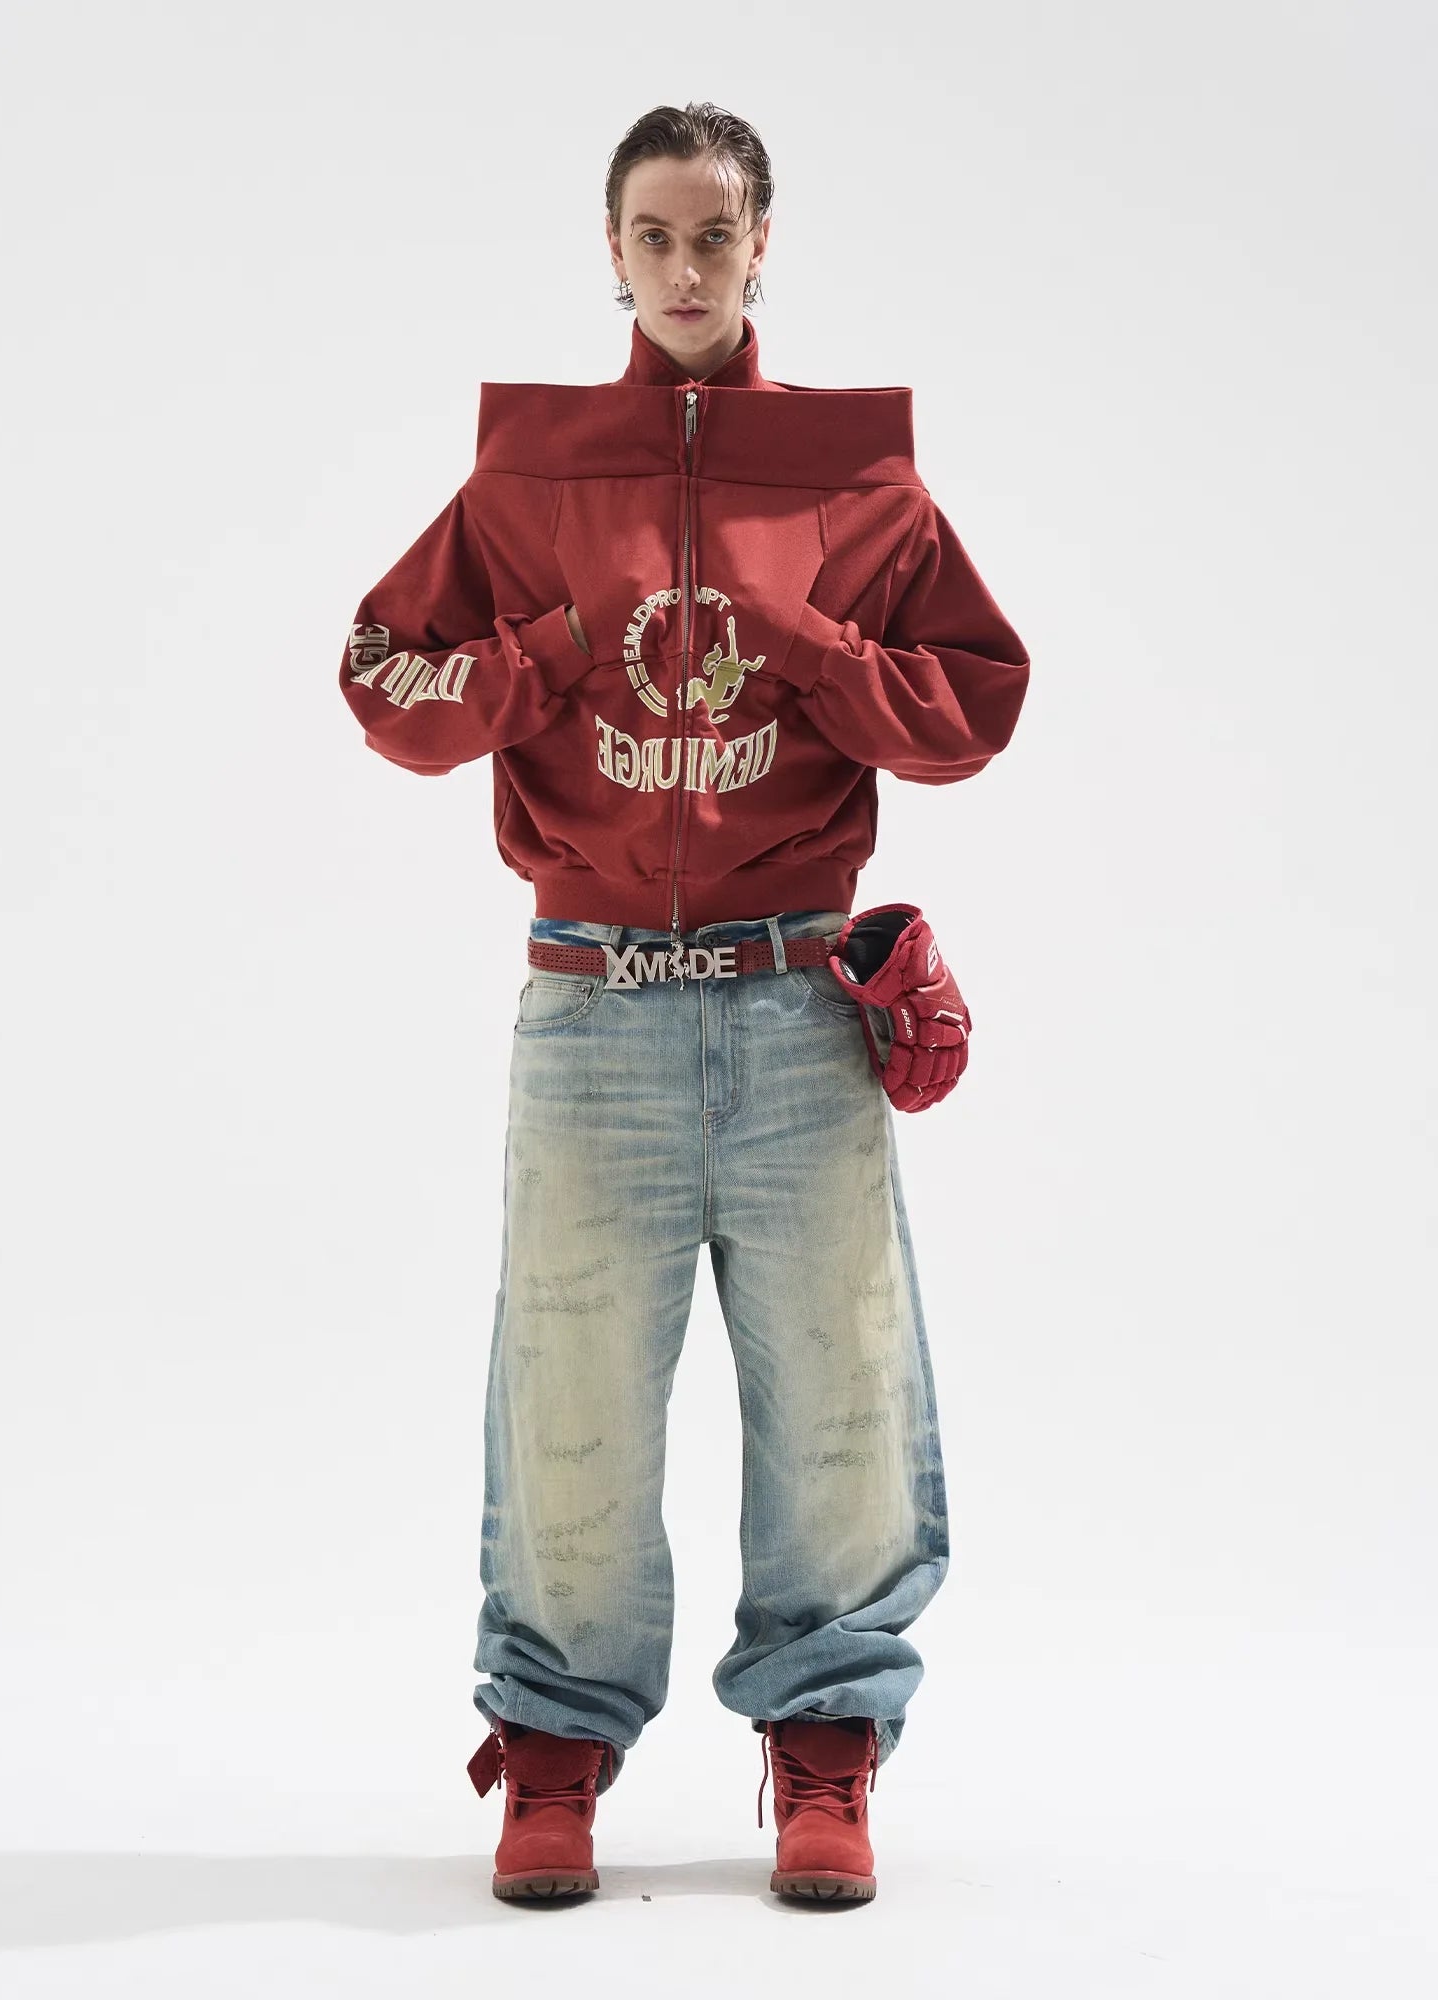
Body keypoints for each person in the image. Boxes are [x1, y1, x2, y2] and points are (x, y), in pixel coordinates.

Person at [338, 100, 1030, 1905]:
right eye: (652, 234)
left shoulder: (856, 481)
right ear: (613, 251)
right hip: (593, 1009)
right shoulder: (530, 479)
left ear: (762, 245)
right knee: (569, 1393)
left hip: (797, 1002)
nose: (684, 265)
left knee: (840, 1391)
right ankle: (554, 1753)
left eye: (715, 232)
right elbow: (385, 681)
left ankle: (826, 1744)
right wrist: (559, 648)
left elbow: (976, 700)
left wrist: (803, 642)